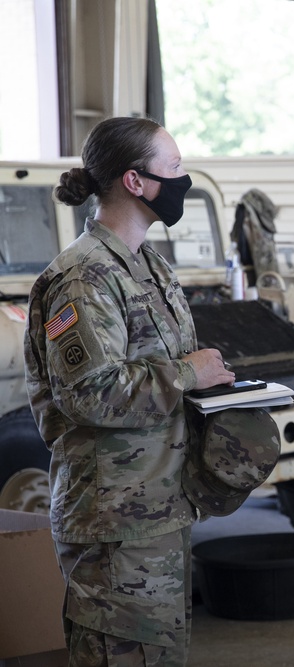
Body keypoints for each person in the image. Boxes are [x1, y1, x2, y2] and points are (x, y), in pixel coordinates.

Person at [24, 116, 235, 666]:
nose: (183, 180)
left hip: (158, 506)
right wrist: (190, 373)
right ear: (136, 182)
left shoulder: (148, 267)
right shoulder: (85, 277)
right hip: (113, 521)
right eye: (175, 168)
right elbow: (89, 394)